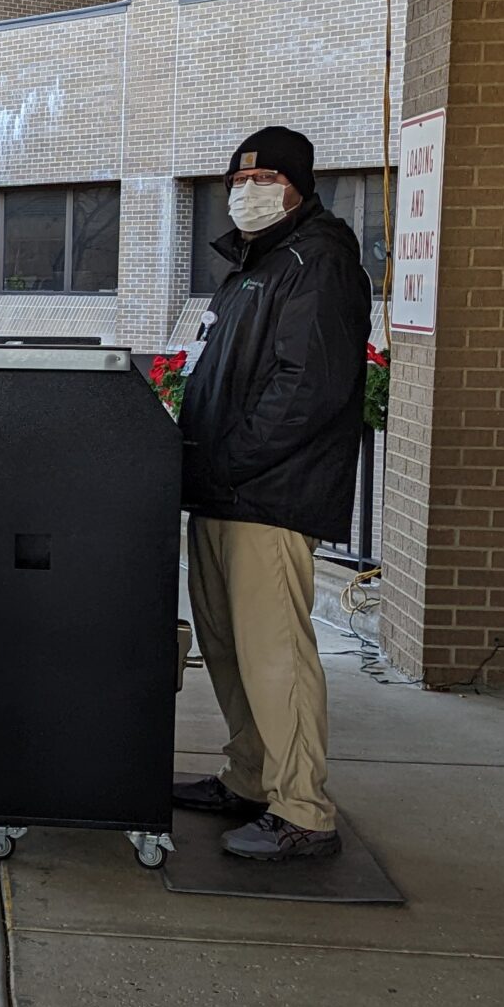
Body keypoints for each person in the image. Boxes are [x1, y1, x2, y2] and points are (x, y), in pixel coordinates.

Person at [174, 126, 371, 861]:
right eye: (238, 180)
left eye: (262, 180)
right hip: (222, 490)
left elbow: (306, 390)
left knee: (273, 654)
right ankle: (251, 776)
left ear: (296, 186)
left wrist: (230, 462)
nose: (244, 193)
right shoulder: (256, 263)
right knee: (227, 648)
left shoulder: (316, 262)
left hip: (267, 494)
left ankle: (302, 809)